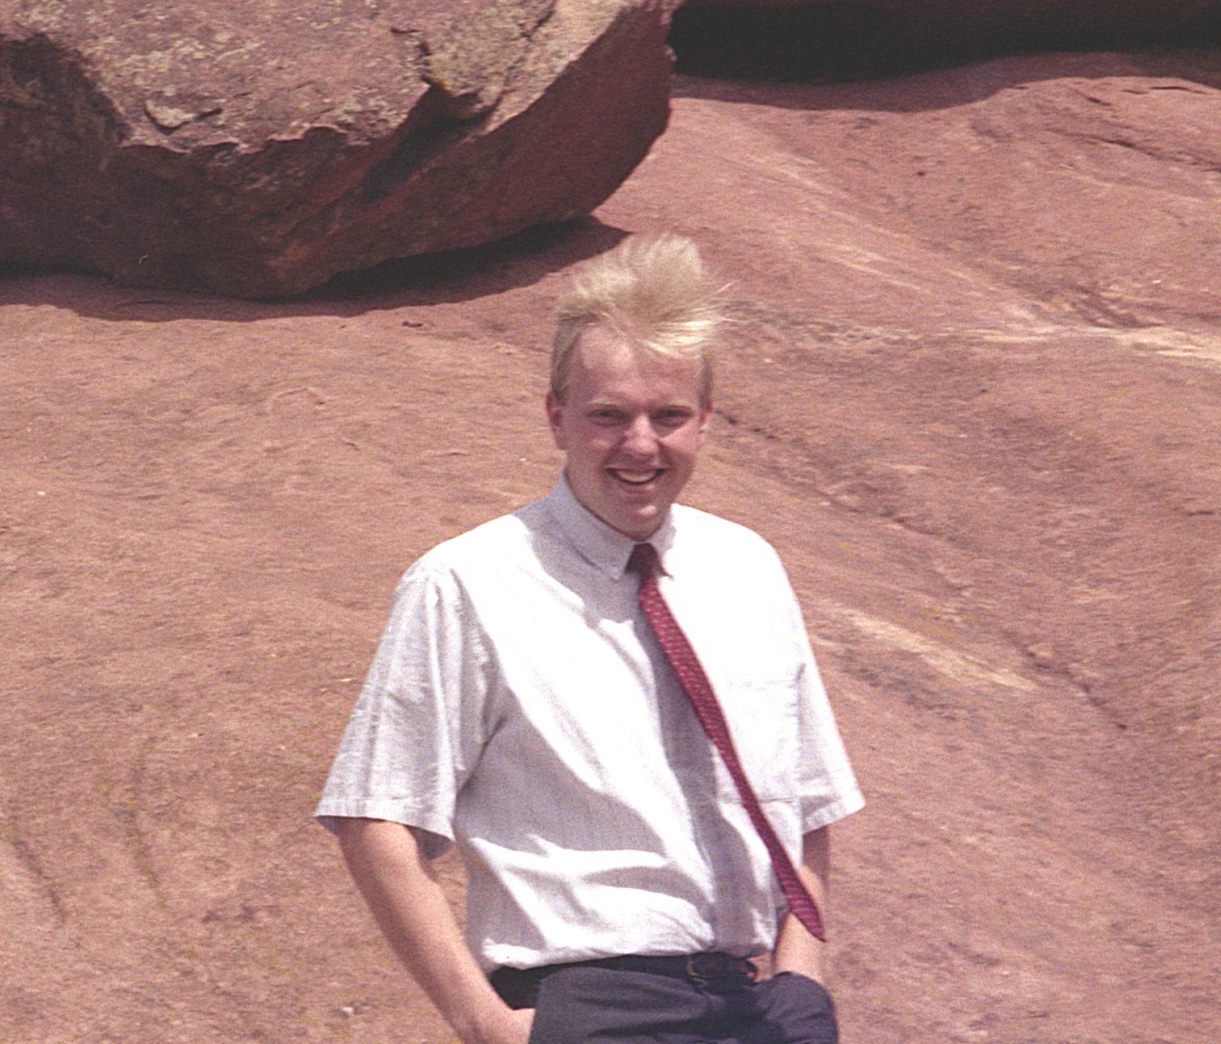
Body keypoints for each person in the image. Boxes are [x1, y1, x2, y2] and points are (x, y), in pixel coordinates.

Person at [315, 233, 865, 1044]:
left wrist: (801, 976)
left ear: (705, 420)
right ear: (556, 417)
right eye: (607, 416)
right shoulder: (466, 584)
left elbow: (809, 798)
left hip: (758, 1009)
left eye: (668, 415)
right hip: (589, 1008)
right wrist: (487, 1026)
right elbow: (376, 819)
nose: (640, 445)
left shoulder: (746, 568)